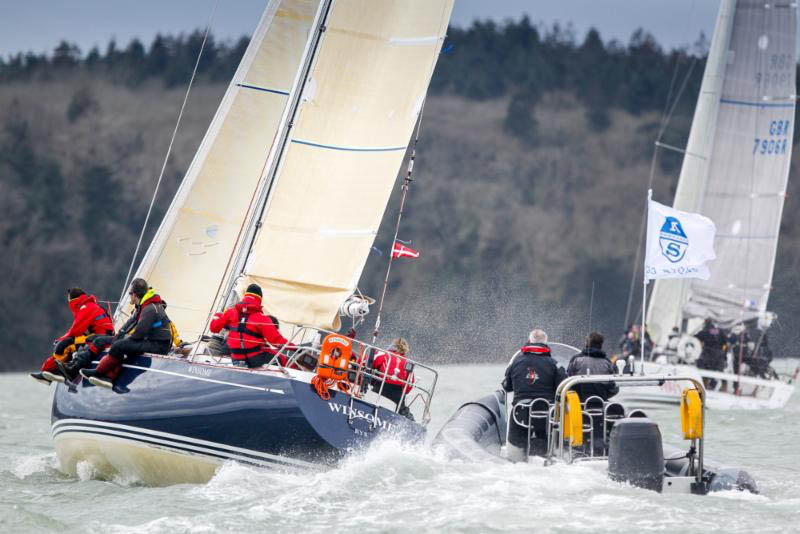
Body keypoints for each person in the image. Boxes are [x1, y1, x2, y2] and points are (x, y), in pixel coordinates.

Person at [80, 278, 172, 388]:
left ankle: (99, 373)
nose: (129, 296)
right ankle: (108, 377)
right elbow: (131, 321)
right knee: (120, 343)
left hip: (159, 345)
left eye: (130, 293)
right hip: (153, 341)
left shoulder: (149, 309)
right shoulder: (143, 305)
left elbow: (138, 334)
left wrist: (121, 341)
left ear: (135, 294)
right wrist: (119, 335)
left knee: (119, 345)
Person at [502, 329, 566, 460]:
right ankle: (547, 455)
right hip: (546, 412)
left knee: (515, 453)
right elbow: (563, 386)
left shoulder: (516, 362)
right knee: (548, 437)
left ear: (529, 341)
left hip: (520, 412)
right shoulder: (553, 364)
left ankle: (517, 459)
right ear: (545, 342)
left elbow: (507, 387)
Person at [30, 287, 114, 385]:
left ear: (73, 300)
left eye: (69, 300)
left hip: (100, 339)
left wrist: (61, 340)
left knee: (65, 345)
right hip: (100, 337)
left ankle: (51, 372)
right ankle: (48, 372)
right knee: (67, 343)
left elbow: (75, 330)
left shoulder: (86, 307)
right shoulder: (90, 305)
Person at [209, 283, 294, 368]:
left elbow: (214, 328)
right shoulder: (262, 318)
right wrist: (295, 348)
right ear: (259, 299)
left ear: (245, 296)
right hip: (255, 360)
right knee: (282, 359)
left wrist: (217, 316)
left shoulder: (230, 312)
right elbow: (276, 341)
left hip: (235, 359)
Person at [566, 332, 618, 401]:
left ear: (587, 343)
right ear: (601, 345)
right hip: (601, 402)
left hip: (579, 403)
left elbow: (568, 379)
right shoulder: (608, 362)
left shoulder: (576, 359)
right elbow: (612, 387)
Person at [371, 338, 415, 416]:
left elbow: (367, 361)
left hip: (380, 387)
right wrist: (404, 392)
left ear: (392, 346)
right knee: (403, 412)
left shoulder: (384, 354)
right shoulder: (407, 362)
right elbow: (410, 384)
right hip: (397, 395)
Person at [695, 318, 728, 389]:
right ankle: (723, 387)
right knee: (719, 371)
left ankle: (704, 385)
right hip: (719, 354)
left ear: (706, 323)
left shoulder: (705, 331)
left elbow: (696, 338)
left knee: (704, 369)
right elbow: (725, 343)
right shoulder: (719, 331)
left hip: (708, 354)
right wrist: (724, 355)